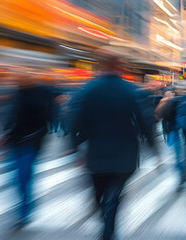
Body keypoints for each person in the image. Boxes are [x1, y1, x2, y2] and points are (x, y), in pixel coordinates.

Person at [69, 52, 157, 240]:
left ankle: (104, 218)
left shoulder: (89, 89)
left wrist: (74, 148)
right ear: (120, 68)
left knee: (99, 191)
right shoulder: (130, 90)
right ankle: (109, 226)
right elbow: (143, 121)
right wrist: (153, 147)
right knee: (115, 193)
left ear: (101, 66)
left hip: (96, 151)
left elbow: (77, 120)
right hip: (125, 152)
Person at [1, 77, 56, 228]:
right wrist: (5, 135)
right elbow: (12, 117)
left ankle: (24, 213)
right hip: (14, 142)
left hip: (29, 144)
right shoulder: (17, 93)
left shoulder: (40, 93)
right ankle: (25, 208)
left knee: (23, 177)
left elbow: (45, 120)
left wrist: (33, 138)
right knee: (15, 179)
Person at [156, 90, 186, 185]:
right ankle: (181, 169)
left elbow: (160, 114)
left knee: (177, 151)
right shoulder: (168, 102)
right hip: (174, 129)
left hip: (173, 129)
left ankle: (180, 169)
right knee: (177, 151)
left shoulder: (171, 102)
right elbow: (160, 114)